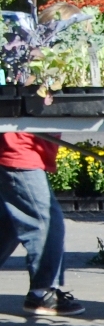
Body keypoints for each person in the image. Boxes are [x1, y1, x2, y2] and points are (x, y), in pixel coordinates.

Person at [2, 131, 82, 316]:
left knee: (8, 225)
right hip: (19, 149)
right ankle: (41, 292)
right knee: (47, 221)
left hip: (18, 148)